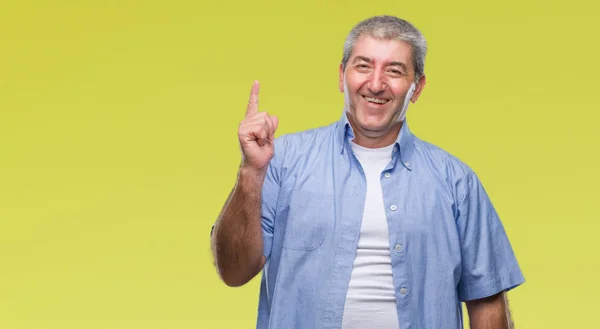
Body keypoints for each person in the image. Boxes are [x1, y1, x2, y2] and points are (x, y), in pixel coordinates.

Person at [210, 15, 525, 329]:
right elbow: (234, 272)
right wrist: (251, 172)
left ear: (417, 88)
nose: (376, 84)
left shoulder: (457, 182)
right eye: (363, 66)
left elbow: (487, 300)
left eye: (394, 71)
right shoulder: (281, 162)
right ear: (341, 75)